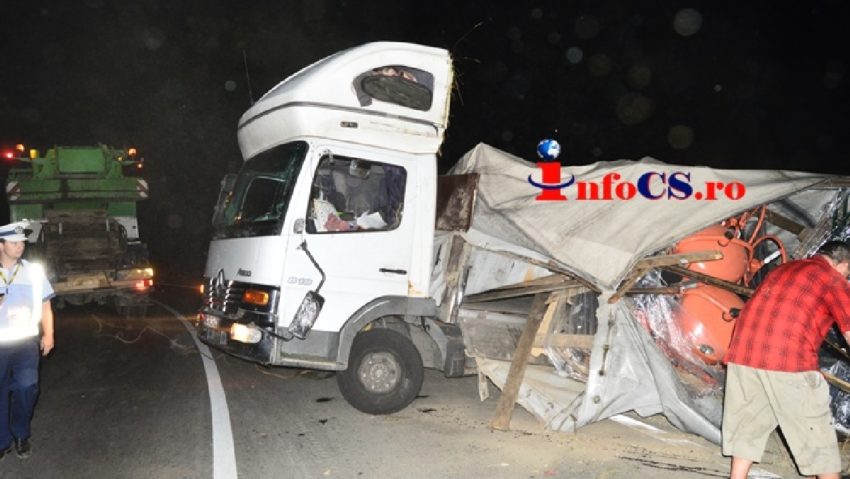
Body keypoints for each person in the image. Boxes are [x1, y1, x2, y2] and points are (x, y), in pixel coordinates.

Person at [722, 240, 850, 479]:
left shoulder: (784, 268)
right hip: (788, 361)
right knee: (818, 439)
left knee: (748, 424)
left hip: (743, 354)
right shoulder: (832, 278)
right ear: (842, 264)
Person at [0, 220, 54, 461]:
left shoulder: (33, 270)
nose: (20, 246)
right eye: (14, 242)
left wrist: (49, 334)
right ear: (1, 245)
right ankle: (2, 441)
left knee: (27, 386)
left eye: (22, 242)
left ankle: (21, 433)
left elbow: (45, 304)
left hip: (26, 342)